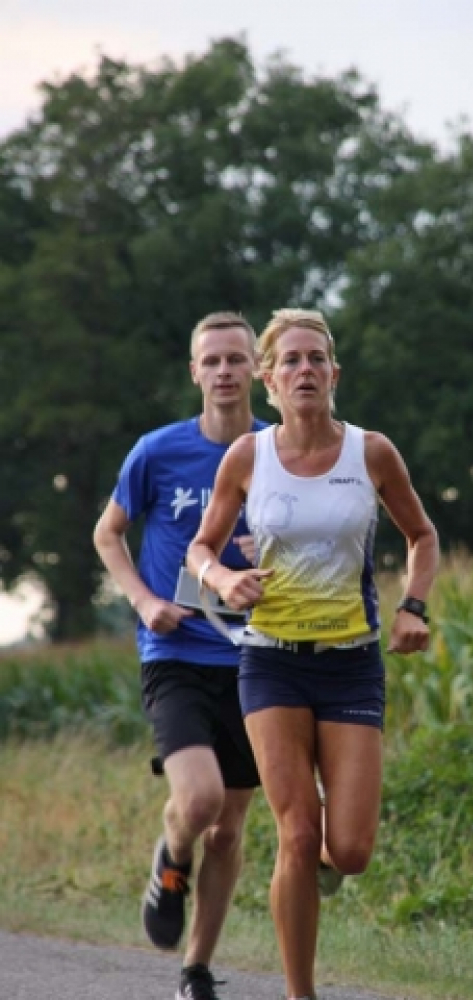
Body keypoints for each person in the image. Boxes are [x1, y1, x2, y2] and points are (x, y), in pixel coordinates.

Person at [186, 307, 440, 1000]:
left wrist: (413, 607)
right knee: (296, 834)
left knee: (348, 851)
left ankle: (328, 852)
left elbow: (421, 535)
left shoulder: (372, 453)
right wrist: (222, 579)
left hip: (351, 663)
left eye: (316, 358)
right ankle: (301, 994)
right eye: (291, 360)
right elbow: (201, 547)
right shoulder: (248, 458)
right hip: (272, 663)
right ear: (268, 381)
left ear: (334, 374)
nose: (305, 370)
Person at [92, 311, 267, 1000]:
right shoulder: (158, 451)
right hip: (176, 654)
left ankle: (195, 970)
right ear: (195, 371)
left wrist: (266, 552)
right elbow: (108, 534)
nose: (224, 371)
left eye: (236, 359)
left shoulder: (277, 452)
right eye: (212, 361)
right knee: (199, 800)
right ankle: (170, 858)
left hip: (257, 660)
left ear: (256, 369)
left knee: (228, 832)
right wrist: (143, 602)